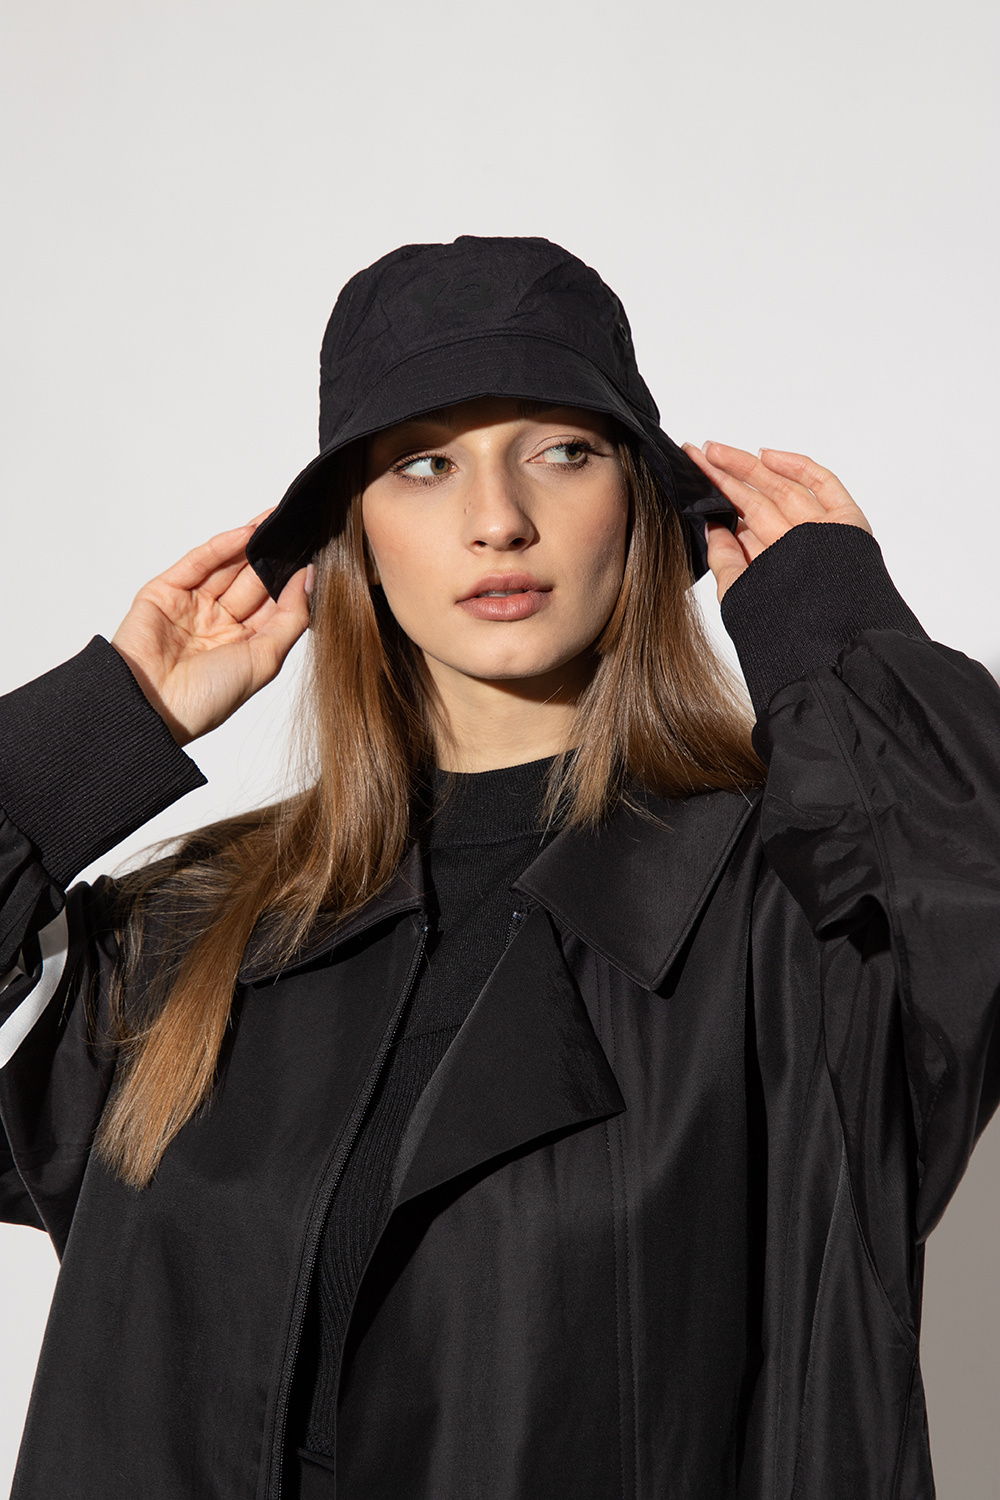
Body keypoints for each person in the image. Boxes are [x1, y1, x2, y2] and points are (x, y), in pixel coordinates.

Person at [0, 235, 997, 1500]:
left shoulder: (789, 915)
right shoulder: (192, 938)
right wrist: (97, 731)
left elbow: (964, 908)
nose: (496, 521)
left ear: (642, 502)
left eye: (561, 452)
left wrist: (832, 632)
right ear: (355, 536)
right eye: (423, 466)